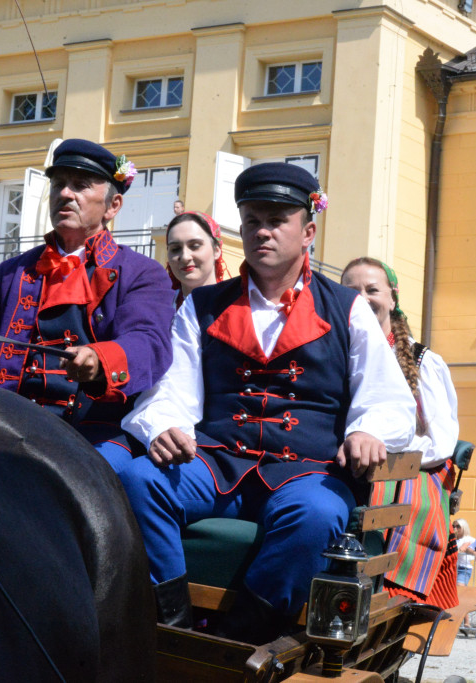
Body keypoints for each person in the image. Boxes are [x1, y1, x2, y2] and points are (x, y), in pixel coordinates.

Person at [119, 163, 430, 642]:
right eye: (252, 220)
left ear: (307, 231)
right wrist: (163, 425)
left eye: (276, 219)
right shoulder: (202, 306)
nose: (262, 230)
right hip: (216, 462)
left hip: (307, 469)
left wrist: (368, 431)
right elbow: (170, 389)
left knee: (318, 515)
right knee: (139, 479)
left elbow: (388, 398)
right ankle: (172, 627)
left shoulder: (347, 308)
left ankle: (243, 640)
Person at [0, 139, 175, 473]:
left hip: (96, 435)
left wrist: (101, 359)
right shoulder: (11, 273)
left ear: (113, 205)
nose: (65, 193)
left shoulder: (142, 273)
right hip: (5, 425)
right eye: (59, 184)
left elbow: (149, 343)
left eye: (80, 185)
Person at [341, 257, 460, 609]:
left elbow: (439, 442)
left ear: (392, 299)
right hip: (344, 464)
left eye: (371, 289)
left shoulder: (423, 361)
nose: (362, 297)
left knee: (393, 488)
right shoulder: (335, 352)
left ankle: (388, 587)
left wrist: (382, 447)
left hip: (406, 469)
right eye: (351, 291)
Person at [165, 211, 227, 307]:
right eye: (175, 249)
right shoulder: (158, 308)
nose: (185, 257)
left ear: (216, 251)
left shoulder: (237, 305)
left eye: (195, 246)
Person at [453, 519, 476, 631]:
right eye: (454, 526)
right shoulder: (452, 539)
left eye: (458, 526)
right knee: (454, 595)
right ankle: (459, 621)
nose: (455, 528)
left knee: (460, 593)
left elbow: (468, 545)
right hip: (453, 568)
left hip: (463, 568)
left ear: (464, 528)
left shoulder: (468, 539)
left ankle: (466, 622)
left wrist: (464, 546)